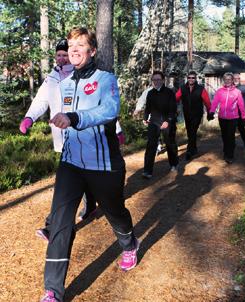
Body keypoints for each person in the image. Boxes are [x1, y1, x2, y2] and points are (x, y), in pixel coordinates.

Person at [40, 27, 138, 302]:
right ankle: (53, 290)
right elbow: (59, 111)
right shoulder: (65, 83)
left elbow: (109, 111)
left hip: (104, 163)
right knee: (60, 220)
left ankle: (129, 243)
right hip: (71, 162)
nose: (73, 50)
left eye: (80, 45)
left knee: (115, 211)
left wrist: (74, 117)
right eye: (70, 45)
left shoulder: (106, 79)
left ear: (92, 50)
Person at [142, 70, 178, 179]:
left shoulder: (169, 92)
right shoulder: (150, 93)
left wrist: (168, 121)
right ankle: (147, 171)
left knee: (170, 143)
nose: (156, 82)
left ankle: (174, 164)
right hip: (154, 122)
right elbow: (148, 108)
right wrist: (145, 118)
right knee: (151, 145)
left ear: (163, 80)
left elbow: (173, 109)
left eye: (158, 79)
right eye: (154, 80)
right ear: (152, 81)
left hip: (167, 121)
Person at [208, 72, 245, 164]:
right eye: (226, 79)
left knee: (230, 136)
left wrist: (243, 116)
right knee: (224, 136)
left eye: (229, 79)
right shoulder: (220, 91)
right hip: (222, 118)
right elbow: (215, 102)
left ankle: (230, 155)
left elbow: (241, 105)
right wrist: (211, 112)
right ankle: (226, 151)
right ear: (224, 80)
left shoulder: (237, 92)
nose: (227, 81)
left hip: (233, 118)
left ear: (232, 80)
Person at [175, 71, 211, 160]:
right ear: (187, 78)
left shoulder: (201, 89)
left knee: (193, 131)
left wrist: (210, 112)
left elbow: (207, 101)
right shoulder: (182, 88)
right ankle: (194, 148)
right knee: (190, 131)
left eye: (193, 78)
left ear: (196, 79)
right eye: (189, 78)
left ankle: (189, 151)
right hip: (187, 114)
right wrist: (172, 108)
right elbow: (175, 98)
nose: (191, 79)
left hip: (197, 114)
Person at [233, 73, 245, 147]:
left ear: (240, 79)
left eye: (238, 78)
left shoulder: (244, 89)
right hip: (231, 113)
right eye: (234, 78)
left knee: (241, 128)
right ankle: (232, 143)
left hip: (241, 112)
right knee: (231, 128)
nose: (236, 80)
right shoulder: (229, 88)